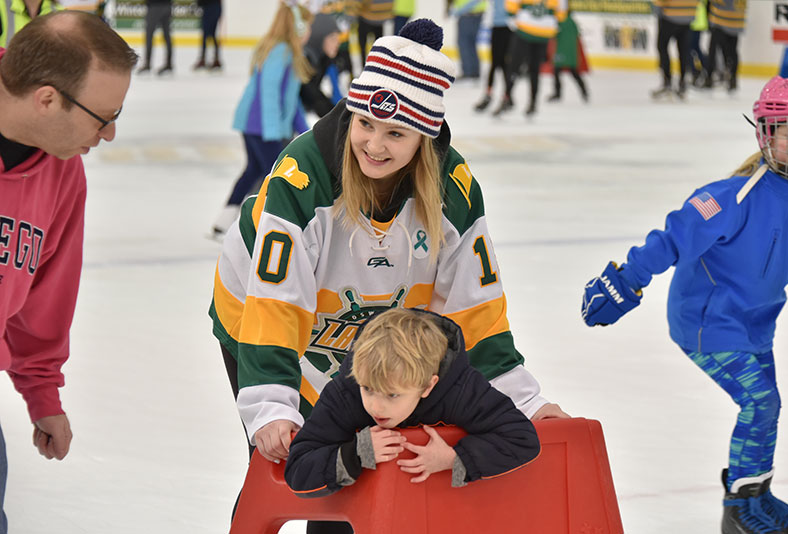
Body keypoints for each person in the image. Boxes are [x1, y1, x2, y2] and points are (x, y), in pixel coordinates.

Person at [209, 18, 566, 534]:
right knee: (296, 460)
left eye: (395, 133)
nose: (374, 145)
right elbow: (276, 300)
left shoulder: (455, 190)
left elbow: (474, 304)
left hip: (372, 338)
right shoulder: (302, 178)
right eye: (365, 124)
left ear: (424, 137)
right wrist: (270, 407)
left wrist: (524, 399)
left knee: (365, 458)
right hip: (262, 323)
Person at [580, 76, 788, 534]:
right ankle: (739, 511)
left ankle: (757, 495)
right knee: (760, 404)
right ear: (767, 134)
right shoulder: (733, 196)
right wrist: (627, 279)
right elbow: (673, 237)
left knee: (768, 408)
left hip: (757, 322)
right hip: (707, 322)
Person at [0, 10, 136, 533]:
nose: (110, 133)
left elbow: (43, 299)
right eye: (102, 115)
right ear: (48, 98)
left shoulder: (62, 176)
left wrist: (41, 392)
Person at [285, 308, 540, 496]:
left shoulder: (461, 389)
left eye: (392, 395)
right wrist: (355, 454)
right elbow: (298, 471)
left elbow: (521, 438)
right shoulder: (346, 391)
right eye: (368, 389)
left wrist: (454, 458)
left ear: (429, 385)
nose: (376, 406)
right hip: (356, 513)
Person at [210, 0, 313, 239]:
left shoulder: (286, 51)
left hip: (257, 125)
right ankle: (259, 225)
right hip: (261, 127)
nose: (309, 32)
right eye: (307, 26)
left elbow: (291, 100)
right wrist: (273, 132)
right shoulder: (280, 51)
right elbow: (269, 93)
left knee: (254, 172)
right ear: (297, 28)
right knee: (275, 177)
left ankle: (224, 222)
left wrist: (305, 131)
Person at [494, 0, 566, 117]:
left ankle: (507, 98)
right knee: (534, 70)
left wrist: (515, 19)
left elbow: (511, 7)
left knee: (513, 68)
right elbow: (561, 15)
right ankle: (532, 103)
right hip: (543, 33)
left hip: (524, 30)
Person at [300, 12, 343, 119]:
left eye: (338, 38)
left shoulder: (323, 59)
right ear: (319, 38)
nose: (337, 43)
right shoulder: (305, 60)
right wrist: (337, 118)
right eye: (333, 38)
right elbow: (313, 96)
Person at [650, 0, 697, 100]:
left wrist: (658, 9)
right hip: (688, 17)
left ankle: (667, 82)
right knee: (684, 52)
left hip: (669, 17)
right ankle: (682, 84)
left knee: (662, 47)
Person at [473, 0, 512, 112]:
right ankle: (502, 95)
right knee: (497, 64)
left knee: (502, 64)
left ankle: (505, 96)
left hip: (507, 28)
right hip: (497, 28)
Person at [701, 0, 746, 93]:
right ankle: (732, 78)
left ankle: (709, 78)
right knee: (732, 52)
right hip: (736, 22)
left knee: (713, 50)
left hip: (722, 21)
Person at [547, 10, 588, 103]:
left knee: (556, 72)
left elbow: (552, 33)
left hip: (561, 51)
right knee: (574, 73)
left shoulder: (559, 21)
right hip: (571, 52)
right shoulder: (572, 22)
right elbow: (577, 34)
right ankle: (584, 92)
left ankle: (557, 93)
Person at [447, 0, 485, 81]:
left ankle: (468, 72)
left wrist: (459, 11)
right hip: (476, 13)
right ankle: (474, 71)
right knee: (471, 43)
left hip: (467, 14)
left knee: (464, 43)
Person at [137, 0, 173, 76]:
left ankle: (147, 64)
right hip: (167, 6)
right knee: (167, 35)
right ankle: (169, 63)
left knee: (149, 34)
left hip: (155, 5)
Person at [192, 0, 223, 71]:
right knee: (211, 34)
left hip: (210, 10)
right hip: (214, 9)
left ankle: (205, 59)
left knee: (206, 35)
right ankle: (216, 58)